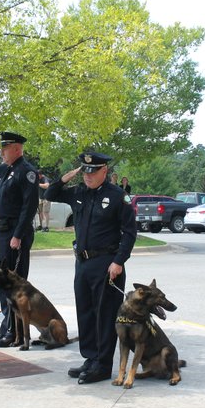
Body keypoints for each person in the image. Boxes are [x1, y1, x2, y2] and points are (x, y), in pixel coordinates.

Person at [45, 151, 137, 384]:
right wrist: (65, 178)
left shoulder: (118, 197)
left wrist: (119, 261)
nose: (87, 176)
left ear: (104, 171)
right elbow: (50, 193)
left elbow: (129, 232)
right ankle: (90, 358)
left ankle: (103, 365)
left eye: (92, 171)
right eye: (84, 171)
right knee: (85, 312)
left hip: (107, 264)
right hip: (83, 262)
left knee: (104, 315)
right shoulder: (79, 193)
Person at [0, 131, 39, 347]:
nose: (2, 152)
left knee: (14, 285)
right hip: (1, 232)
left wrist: (18, 235)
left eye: (5, 149)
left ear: (17, 148)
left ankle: (14, 332)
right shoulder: (5, 170)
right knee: (1, 281)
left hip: (15, 234)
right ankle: (6, 327)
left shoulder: (26, 172)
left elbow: (29, 207)